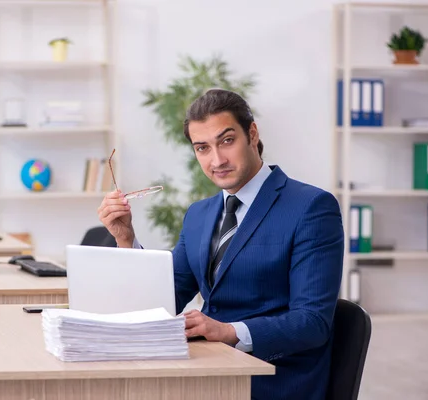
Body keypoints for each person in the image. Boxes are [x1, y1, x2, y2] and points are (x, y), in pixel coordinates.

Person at [97, 88, 344, 400]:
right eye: (202, 148)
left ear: (252, 134)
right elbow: (165, 298)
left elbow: (312, 322)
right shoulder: (199, 215)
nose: (217, 160)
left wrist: (228, 332)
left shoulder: (310, 207)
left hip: (271, 381)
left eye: (227, 141)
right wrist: (126, 239)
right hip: (205, 370)